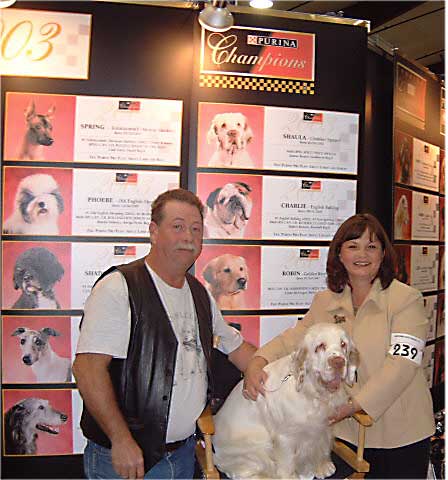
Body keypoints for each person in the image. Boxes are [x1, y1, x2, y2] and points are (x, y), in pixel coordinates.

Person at [73, 188, 256, 480]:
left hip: (182, 456)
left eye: (196, 229)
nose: (188, 237)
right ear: (154, 232)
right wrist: (121, 439)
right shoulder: (119, 287)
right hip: (127, 461)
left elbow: (237, 349)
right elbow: (87, 370)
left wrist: (281, 370)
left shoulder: (199, 294)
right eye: (178, 227)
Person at [243, 213, 435, 479]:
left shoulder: (406, 299)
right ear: (339, 255)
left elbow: (402, 365)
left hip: (401, 434)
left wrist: (353, 405)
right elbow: (295, 338)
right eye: (353, 246)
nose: (362, 254)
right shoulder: (325, 301)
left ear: (383, 254)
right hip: (345, 434)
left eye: (371, 246)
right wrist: (258, 361)